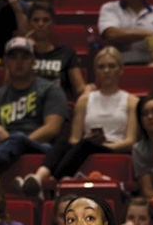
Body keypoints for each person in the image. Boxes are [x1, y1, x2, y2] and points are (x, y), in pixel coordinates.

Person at [16, 47, 139, 198]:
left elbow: (130, 141)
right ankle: (38, 177)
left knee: (85, 144)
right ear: (95, 71)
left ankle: (52, 183)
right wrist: (88, 142)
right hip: (85, 147)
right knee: (62, 143)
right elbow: (74, 139)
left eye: (111, 66)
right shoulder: (85, 100)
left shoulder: (132, 101)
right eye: (101, 67)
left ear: (121, 70)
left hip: (115, 148)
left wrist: (101, 145)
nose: (106, 70)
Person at [0, 37, 68, 179]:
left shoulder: (50, 89)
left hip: (41, 149)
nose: (19, 62)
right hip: (3, 151)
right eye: (13, 57)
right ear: (6, 62)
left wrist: (21, 143)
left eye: (25, 57)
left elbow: (52, 128)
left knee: (18, 138)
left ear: (33, 61)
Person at [28, 2, 87, 102]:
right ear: (29, 24)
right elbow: (9, 86)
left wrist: (89, 89)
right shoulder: (21, 54)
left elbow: (80, 88)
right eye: (36, 20)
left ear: (52, 24)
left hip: (57, 105)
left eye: (45, 20)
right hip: (29, 105)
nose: (40, 24)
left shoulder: (66, 53)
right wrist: (25, 49)